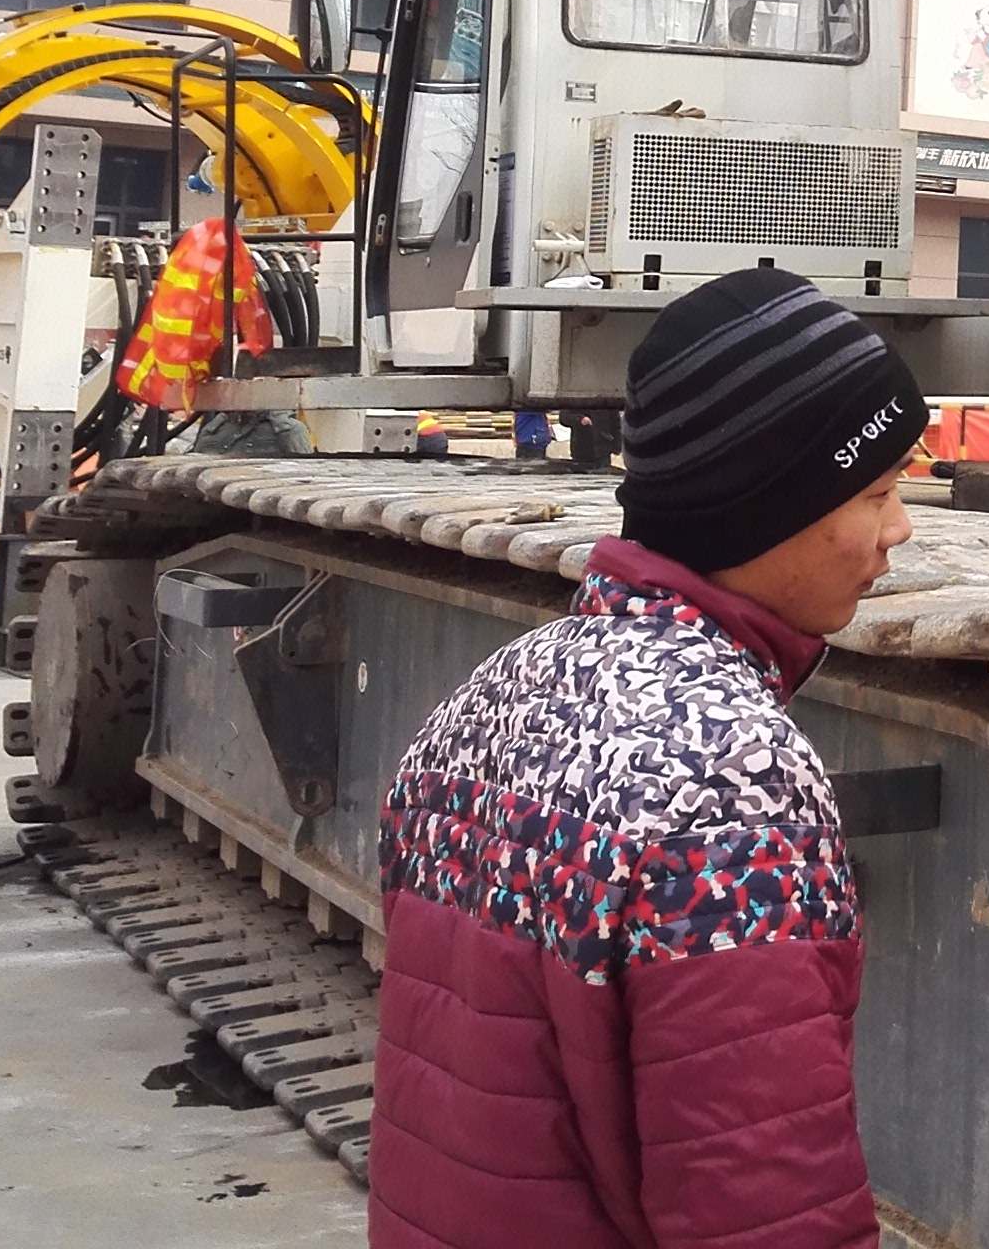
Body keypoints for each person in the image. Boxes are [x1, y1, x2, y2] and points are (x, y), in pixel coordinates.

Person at [368, 268, 924, 1249]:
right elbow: (762, 1204)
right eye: (876, 491)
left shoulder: (488, 693)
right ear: (766, 509)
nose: (901, 528)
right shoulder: (731, 777)